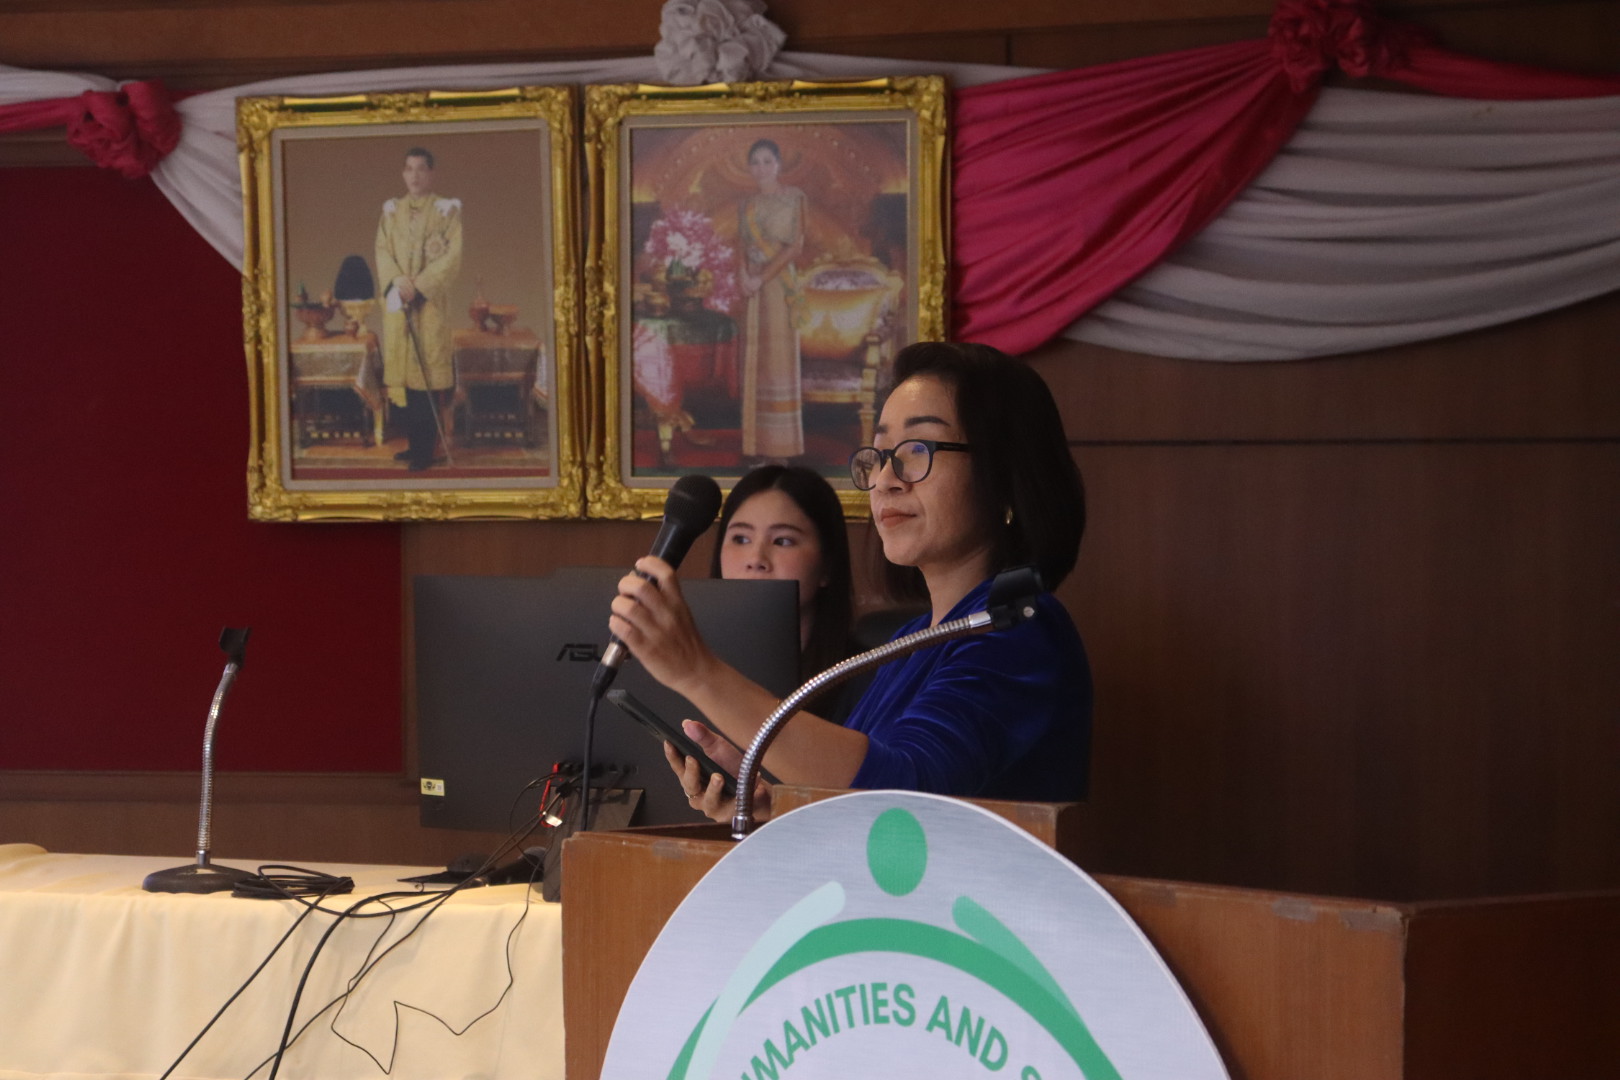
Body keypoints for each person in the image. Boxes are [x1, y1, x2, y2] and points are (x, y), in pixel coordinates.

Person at [612, 341, 1092, 821]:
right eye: (880, 454)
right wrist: (776, 805)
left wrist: (697, 672)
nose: (885, 480)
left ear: (1005, 477)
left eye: (917, 450)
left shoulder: (1021, 629)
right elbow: (863, 809)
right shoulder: (912, 639)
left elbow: (900, 793)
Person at [375, 146, 462, 471]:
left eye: (421, 169)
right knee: (407, 382)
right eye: (409, 169)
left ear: (431, 173)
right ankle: (414, 445)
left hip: (429, 308)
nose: (415, 175)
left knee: (425, 380)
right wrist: (398, 280)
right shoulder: (391, 212)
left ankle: (426, 451)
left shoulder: (446, 211)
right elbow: (382, 250)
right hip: (400, 303)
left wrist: (420, 286)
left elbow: (451, 258)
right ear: (403, 173)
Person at [735, 139, 807, 463]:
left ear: (778, 164)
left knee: (777, 361)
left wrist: (761, 278)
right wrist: (743, 276)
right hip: (753, 290)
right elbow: (741, 244)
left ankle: (782, 449)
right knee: (755, 362)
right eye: (755, 162)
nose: (761, 168)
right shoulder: (747, 205)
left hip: (778, 286)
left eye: (767, 161)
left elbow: (795, 246)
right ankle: (757, 446)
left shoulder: (794, 198)